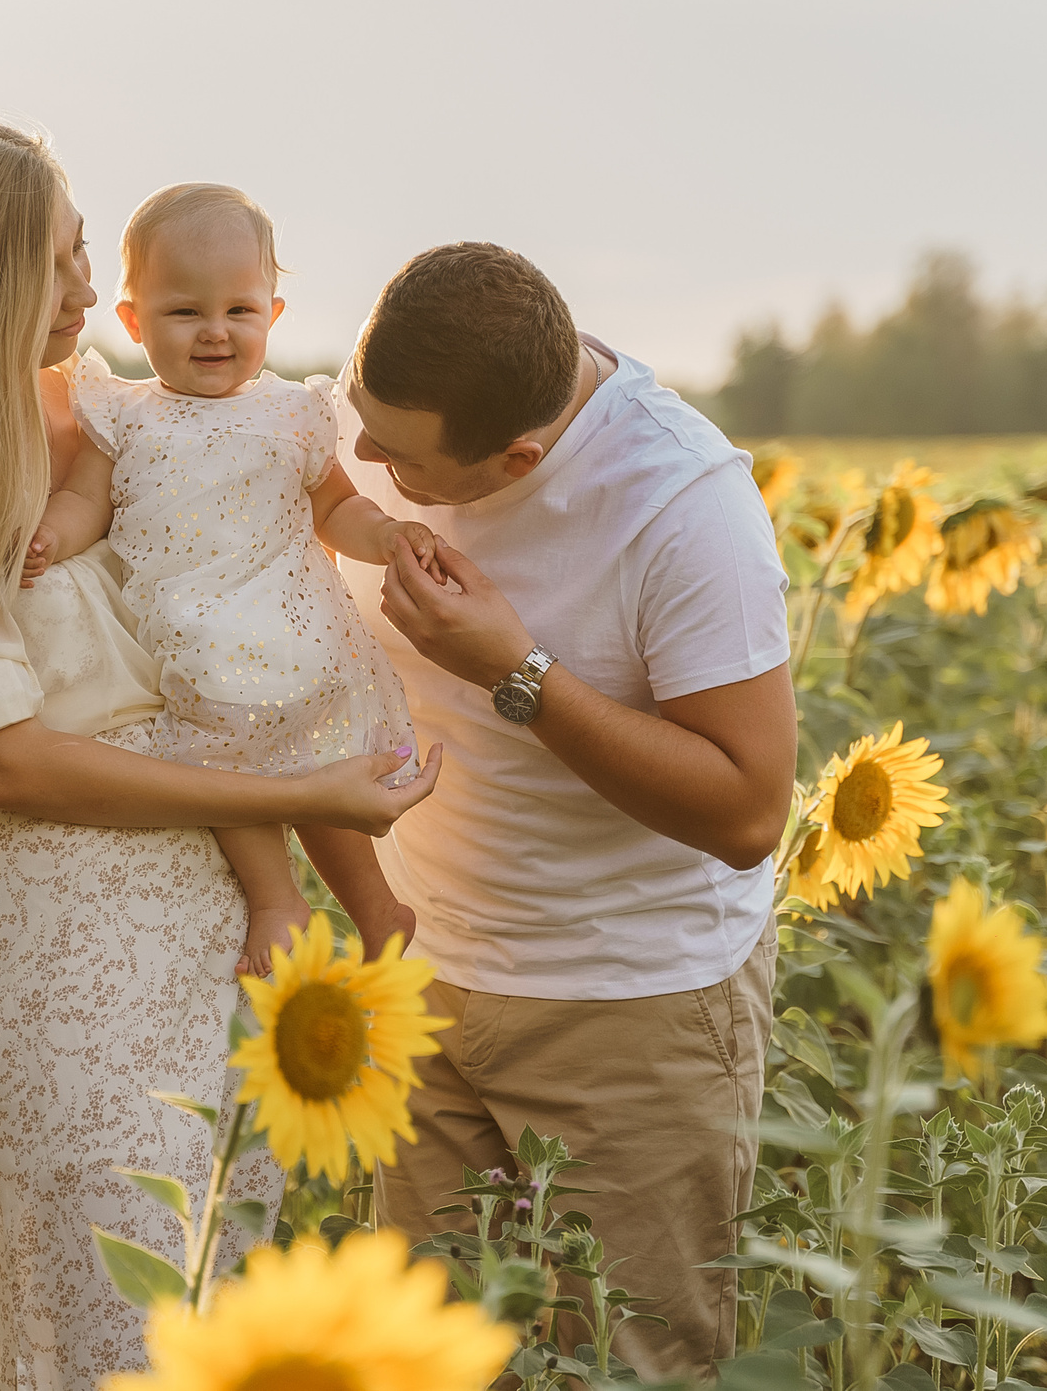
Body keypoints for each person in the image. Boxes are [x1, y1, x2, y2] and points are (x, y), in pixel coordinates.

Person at [0, 114, 440, 1388]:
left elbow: (275, 525)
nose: (90, 290)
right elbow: (13, 763)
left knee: (215, 1287)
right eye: (59, 263)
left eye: (88, 256)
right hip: (73, 918)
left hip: (216, 917)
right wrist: (302, 790)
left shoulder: (111, 410)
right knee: (105, 1302)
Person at [330, 241, 796, 1380]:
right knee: (431, 1364)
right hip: (424, 980)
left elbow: (746, 809)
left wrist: (516, 671)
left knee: (629, 1362)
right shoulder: (378, 431)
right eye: (360, 416)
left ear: (519, 456)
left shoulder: (682, 505)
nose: (365, 461)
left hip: (626, 1011)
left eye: (400, 456)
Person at [27, 180, 427, 974]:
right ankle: (277, 896)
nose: (215, 333)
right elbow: (86, 500)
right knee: (220, 766)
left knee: (321, 772)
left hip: (298, 629)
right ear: (135, 321)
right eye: (185, 313)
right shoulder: (127, 414)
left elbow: (335, 506)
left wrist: (387, 535)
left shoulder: (290, 413)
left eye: (239, 312)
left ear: (271, 315)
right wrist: (52, 535)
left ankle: (378, 907)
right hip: (199, 648)